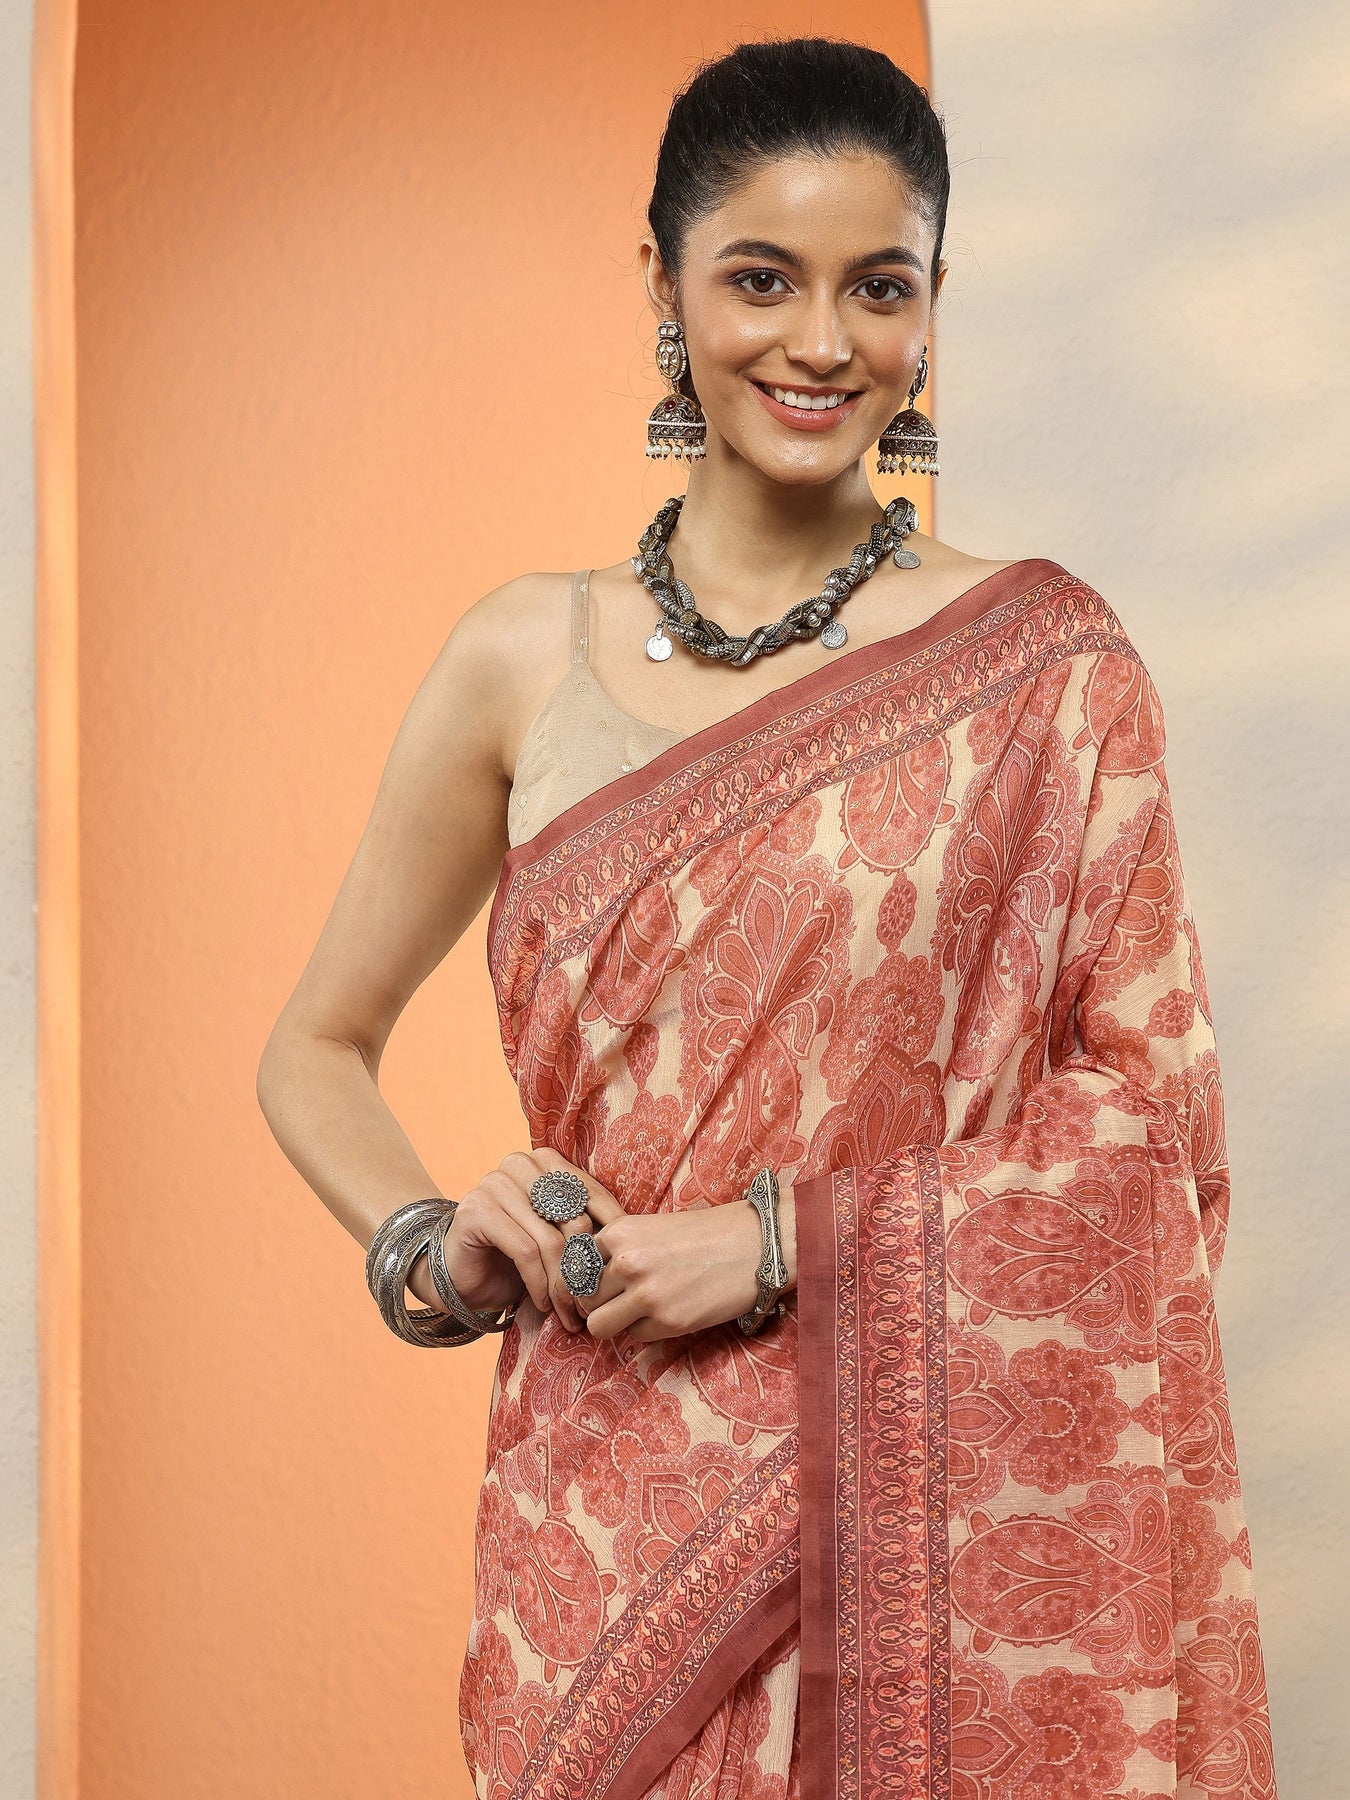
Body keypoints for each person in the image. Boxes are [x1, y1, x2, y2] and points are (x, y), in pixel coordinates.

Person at [256, 35, 1278, 1800]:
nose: (820, 342)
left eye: (878, 286)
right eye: (758, 279)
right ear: (661, 288)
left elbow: (1152, 1132)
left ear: (931, 308)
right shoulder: (520, 656)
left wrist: (785, 1241)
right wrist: (434, 1246)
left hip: (938, 1531)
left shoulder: (1048, 668)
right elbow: (313, 1047)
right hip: (601, 1531)